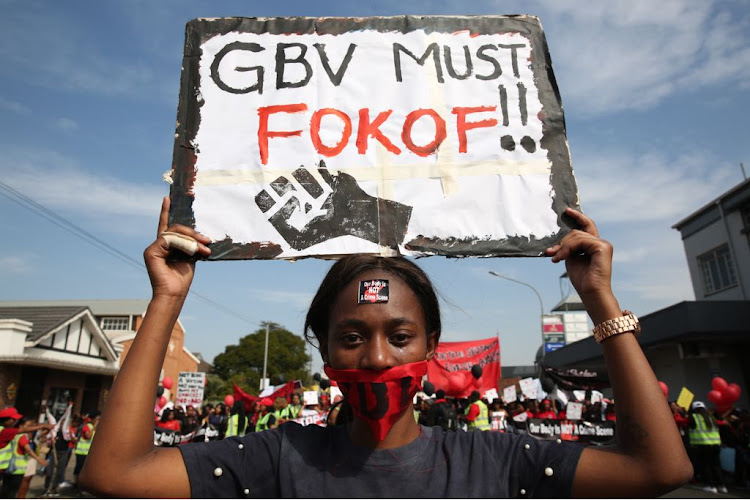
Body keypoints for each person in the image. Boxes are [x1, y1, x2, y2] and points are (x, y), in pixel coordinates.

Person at [79, 199, 693, 497]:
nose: (376, 359)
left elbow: (660, 469)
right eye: (351, 337)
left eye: (400, 337)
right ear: (323, 352)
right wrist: (166, 300)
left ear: (432, 346)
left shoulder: (498, 463)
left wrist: (600, 302)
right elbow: (113, 475)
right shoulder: (270, 461)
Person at [0, 417, 48, 498]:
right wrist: (39, 459)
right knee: (13, 490)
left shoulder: (28, 434)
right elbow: (28, 450)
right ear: (21, 425)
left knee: (10, 490)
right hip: (17, 468)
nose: (31, 427)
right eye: (29, 425)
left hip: (14, 466)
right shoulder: (21, 436)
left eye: (32, 425)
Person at [688, 401, 727, 494]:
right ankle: (722, 486)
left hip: (703, 445)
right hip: (716, 444)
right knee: (716, 466)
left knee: (706, 466)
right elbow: (721, 423)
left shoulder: (693, 417)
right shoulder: (711, 417)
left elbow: (685, 423)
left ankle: (711, 486)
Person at [72, 411, 99, 488]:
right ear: (92, 419)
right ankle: (76, 483)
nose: (98, 421)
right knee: (79, 468)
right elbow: (88, 436)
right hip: (81, 452)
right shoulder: (87, 426)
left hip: (88, 452)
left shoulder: (94, 428)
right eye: (97, 419)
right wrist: (95, 426)